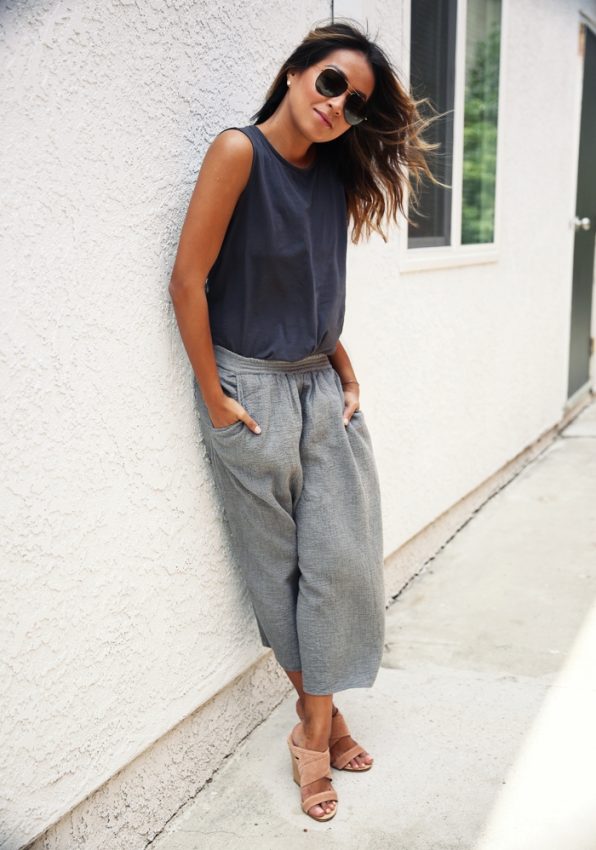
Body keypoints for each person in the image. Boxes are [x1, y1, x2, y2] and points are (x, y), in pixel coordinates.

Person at [168, 19, 439, 823]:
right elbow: (187, 280)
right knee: (277, 574)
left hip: (320, 386)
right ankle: (323, 731)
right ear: (295, 72)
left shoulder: (332, 177)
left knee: (341, 565)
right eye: (331, 83)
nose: (337, 106)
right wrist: (215, 396)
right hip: (249, 388)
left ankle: (312, 724)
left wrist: (344, 367)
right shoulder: (238, 152)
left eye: (356, 104)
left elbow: (307, 288)